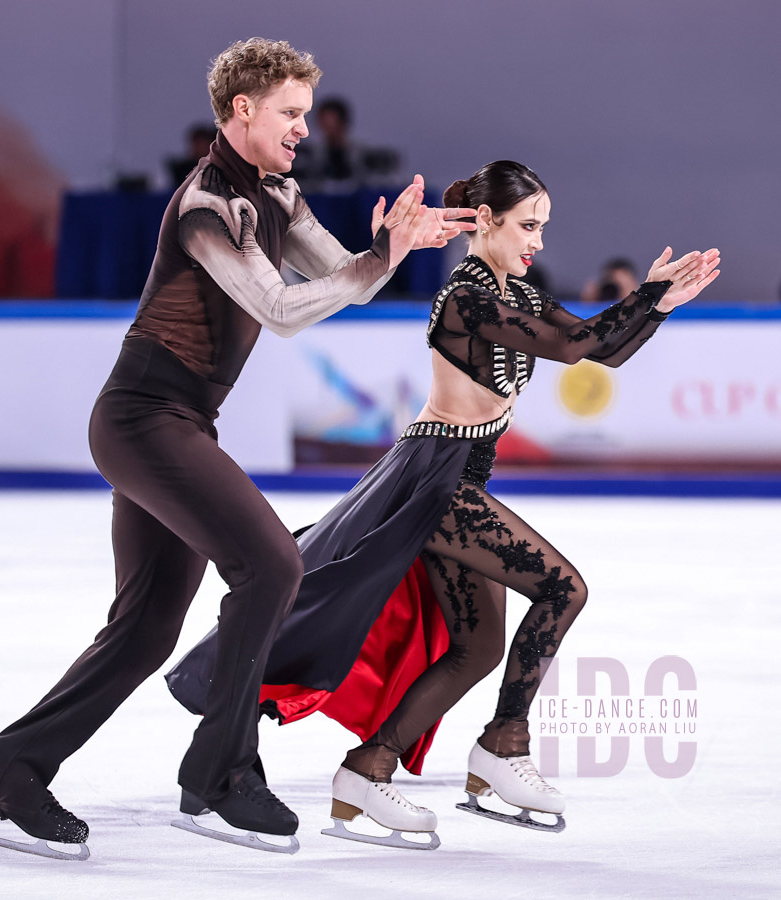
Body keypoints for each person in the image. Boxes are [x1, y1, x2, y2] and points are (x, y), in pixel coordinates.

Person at [0, 37, 475, 860]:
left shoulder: (277, 193)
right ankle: (220, 774)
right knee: (271, 566)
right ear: (242, 109)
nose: (302, 128)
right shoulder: (208, 206)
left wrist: (398, 247)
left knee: (145, 629)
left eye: (306, 113)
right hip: (143, 418)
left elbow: (343, 278)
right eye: (290, 113)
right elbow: (280, 309)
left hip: (180, 422)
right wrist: (378, 259)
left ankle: (8, 773)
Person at [167, 160, 720, 848]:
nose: (537, 241)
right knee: (562, 588)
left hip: (461, 478)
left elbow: (600, 352)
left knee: (477, 646)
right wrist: (644, 296)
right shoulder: (467, 297)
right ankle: (503, 744)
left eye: (542, 227)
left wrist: (658, 305)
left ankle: (368, 770)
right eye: (528, 225)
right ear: (485, 221)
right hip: (436, 478)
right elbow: (574, 344)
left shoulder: (514, 291)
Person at [291, 96, 400, 192]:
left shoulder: (362, 154)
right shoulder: (313, 155)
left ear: (343, 122)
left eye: (332, 123)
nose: (328, 128)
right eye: (324, 123)